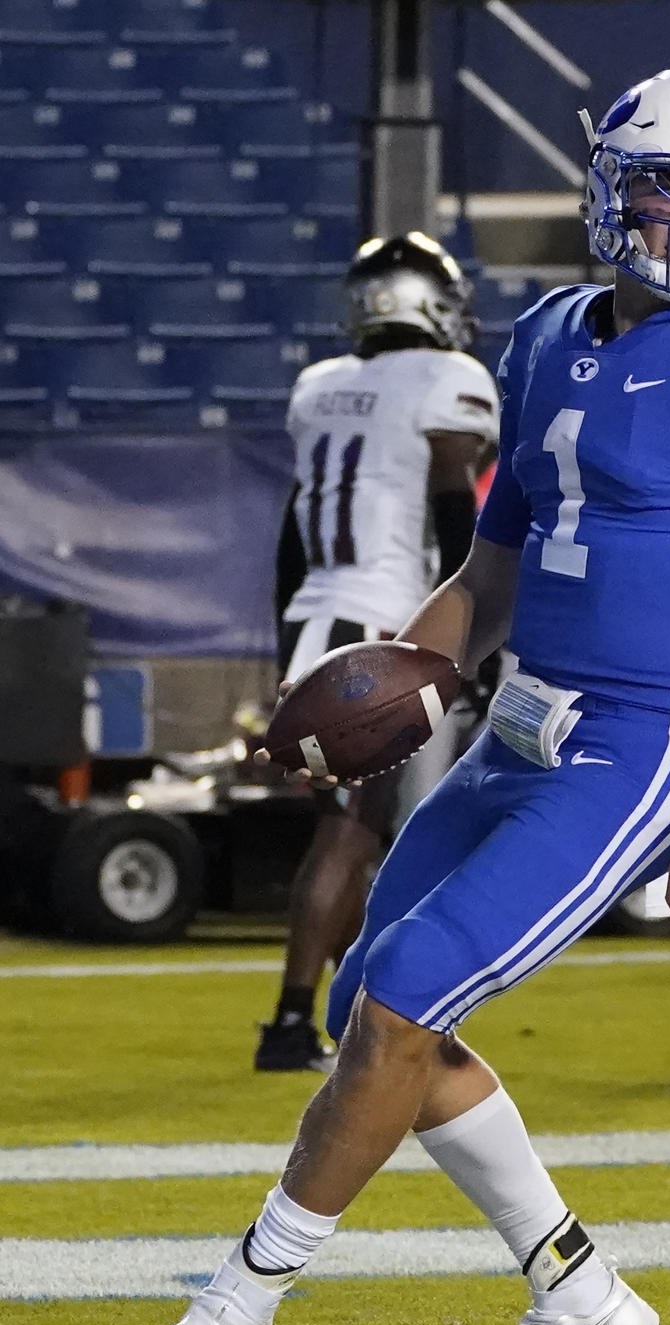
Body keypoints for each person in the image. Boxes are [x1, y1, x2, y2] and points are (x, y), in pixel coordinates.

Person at [131, 67, 670, 1325]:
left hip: (644, 743)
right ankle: (576, 1286)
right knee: (372, 999)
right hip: (517, 724)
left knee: (404, 1001)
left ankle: (239, 1301)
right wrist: (399, 675)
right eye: (669, 185)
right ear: (606, 188)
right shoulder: (548, 335)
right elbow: (493, 571)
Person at [255, 232, 500, 1072]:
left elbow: (292, 533)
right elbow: (451, 510)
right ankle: (293, 1022)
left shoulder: (321, 387)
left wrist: (283, 638)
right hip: (380, 625)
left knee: (353, 827)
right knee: (354, 831)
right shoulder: (446, 380)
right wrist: (478, 626)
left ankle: (358, 1011)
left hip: (314, 614)